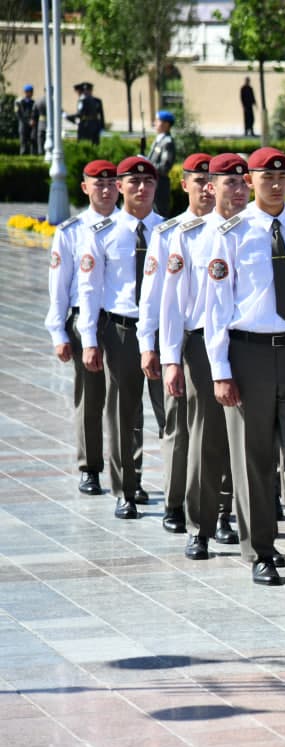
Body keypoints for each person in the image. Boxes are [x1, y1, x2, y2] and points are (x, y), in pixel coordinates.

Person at [203, 148, 285, 591]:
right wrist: (220, 368)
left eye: (284, 176)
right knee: (255, 461)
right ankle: (262, 552)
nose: (276, 184)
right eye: (267, 176)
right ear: (248, 180)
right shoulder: (232, 234)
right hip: (249, 355)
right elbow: (217, 306)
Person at [158, 153, 250, 559]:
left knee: (248, 440)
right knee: (205, 439)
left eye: (242, 182)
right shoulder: (190, 235)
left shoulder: (259, 232)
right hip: (201, 347)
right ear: (209, 187)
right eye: (228, 182)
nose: (238, 189)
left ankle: (234, 516)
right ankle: (200, 526)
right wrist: (170, 357)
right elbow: (172, 303)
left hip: (251, 344)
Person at [76, 156, 164, 519]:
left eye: (148, 182)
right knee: (122, 413)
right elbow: (88, 288)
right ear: (119, 187)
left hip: (162, 332)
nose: (141, 189)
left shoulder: (168, 230)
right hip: (121, 330)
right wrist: (89, 340)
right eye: (133, 182)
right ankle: (125, 488)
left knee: (171, 415)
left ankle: (177, 495)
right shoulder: (103, 232)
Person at [138, 152, 214, 536]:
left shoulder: (231, 229)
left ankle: (218, 505)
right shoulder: (168, 234)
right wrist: (149, 347)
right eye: (197, 181)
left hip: (225, 342)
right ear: (184, 185)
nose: (206, 187)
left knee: (218, 429)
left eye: (210, 179)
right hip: (182, 341)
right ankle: (174, 502)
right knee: (179, 426)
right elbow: (152, 298)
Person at [44, 159, 118, 497]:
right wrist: (58, 331)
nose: (105, 189)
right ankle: (90, 466)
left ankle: (127, 472)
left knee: (126, 401)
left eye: (110, 183)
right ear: (85, 188)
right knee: (90, 398)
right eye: (97, 184)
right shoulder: (71, 230)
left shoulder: (132, 226)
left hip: (124, 321)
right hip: (83, 320)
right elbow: (59, 285)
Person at [147, 111, 177, 217]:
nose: (155, 123)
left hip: (160, 183)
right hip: (153, 181)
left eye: (157, 120)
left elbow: (164, 167)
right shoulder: (159, 140)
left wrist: (148, 166)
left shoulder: (167, 142)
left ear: (166, 124)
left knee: (160, 213)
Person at [17, 85, 39, 155]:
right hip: (23, 125)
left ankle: (33, 154)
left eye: (32, 91)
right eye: (30, 92)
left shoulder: (33, 102)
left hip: (31, 125)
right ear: (26, 92)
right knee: (23, 141)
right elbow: (19, 115)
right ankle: (23, 154)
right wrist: (28, 121)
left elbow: (35, 113)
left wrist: (33, 120)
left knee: (32, 140)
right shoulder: (20, 102)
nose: (32, 93)